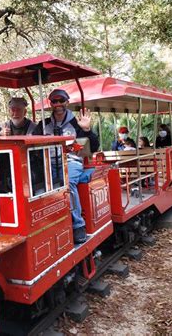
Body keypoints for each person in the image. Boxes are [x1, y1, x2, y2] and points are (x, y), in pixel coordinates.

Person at [32, 89, 99, 244]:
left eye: (61, 101)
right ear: (51, 104)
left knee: (67, 184)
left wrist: (87, 130)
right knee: (37, 186)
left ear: (67, 102)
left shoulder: (77, 123)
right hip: (48, 163)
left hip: (71, 161)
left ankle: (78, 225)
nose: (58, 104)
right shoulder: (44, 125)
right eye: (54, 101)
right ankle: (46, 224)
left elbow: (94, 147)